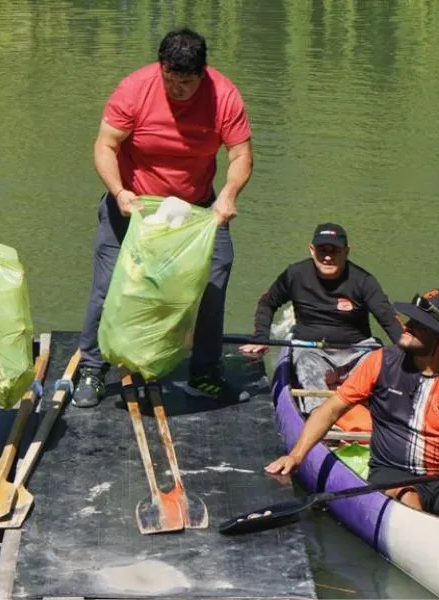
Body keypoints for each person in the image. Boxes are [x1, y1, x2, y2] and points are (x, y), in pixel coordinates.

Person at [72, 27, 254, 407]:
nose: (178, 90)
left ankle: (204, 372)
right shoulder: (135, 89)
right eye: (171, 80)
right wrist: (119, 192)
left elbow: (240, 155)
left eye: (187, 82)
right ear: (162, 68)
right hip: (133, 205)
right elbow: (105, 145)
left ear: (202, 74)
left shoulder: (224, 95)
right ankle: (91, 368)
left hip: (196, 209)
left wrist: (228, 196)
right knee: (108, 284)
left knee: (214, 277)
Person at [265, 289, 439, 522]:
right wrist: (296, 456)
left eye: (418, 324)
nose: (406, 326)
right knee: (408, 497)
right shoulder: (381, 361)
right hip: (393, 472)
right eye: (410, 319)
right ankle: (433, 534)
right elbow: (331, 409)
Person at [240, 223, 404, 412]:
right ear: (311, 250)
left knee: (383, 365)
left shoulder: (364, 281)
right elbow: (267, 303)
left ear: (347, 252)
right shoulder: (295, 274)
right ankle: (318, 415)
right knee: (307, 363)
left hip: (358, 352)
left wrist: (411, 355)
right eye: (322, 250)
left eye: (334, 251)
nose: (327, 257)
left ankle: (382, 414)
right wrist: (261, 336)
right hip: (312, 352)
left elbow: (389, 321)